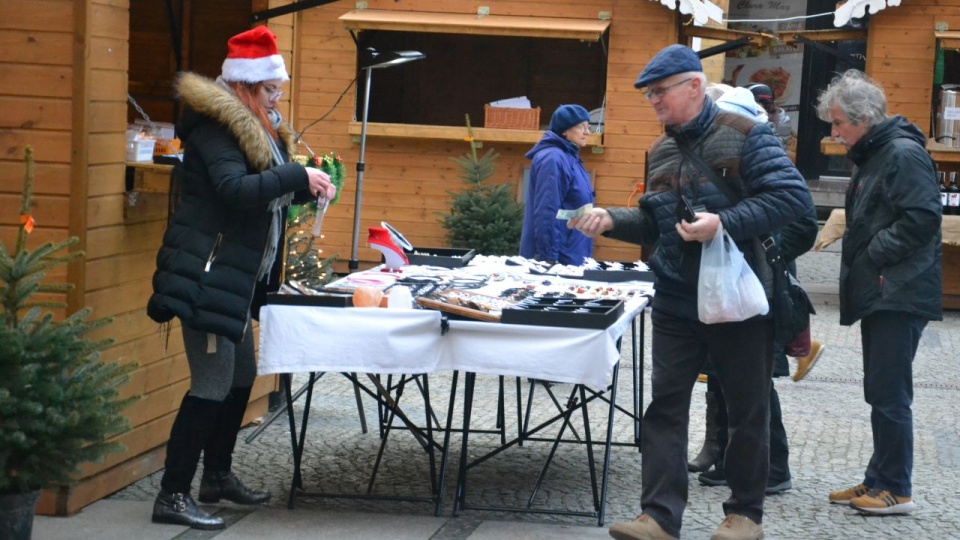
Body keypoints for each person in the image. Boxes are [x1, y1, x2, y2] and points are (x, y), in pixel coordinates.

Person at [571, 44, 814, 540]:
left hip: (738, 299)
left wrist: (722, 222)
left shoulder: (749, 135)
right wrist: (613, 218)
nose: (654, 102)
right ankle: (658, 517)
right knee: (664, 407)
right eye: (649, 95)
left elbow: (793, 200)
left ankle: (745, 515)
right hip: (677, 300)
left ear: (694, 87)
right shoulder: (660, 150)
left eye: (660, 92)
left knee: (748, 409)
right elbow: (658, 223)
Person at [146, 26, 337, 530]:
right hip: (206, 273)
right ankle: (171, 494)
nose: (277, 99)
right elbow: (234, 189)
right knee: (211, 384)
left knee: (241, 378)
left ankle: (217, 477)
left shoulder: (259, 127)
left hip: (233, 277)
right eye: (270, 90)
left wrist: (307, 187)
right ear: (245, 86)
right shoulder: (215, 128)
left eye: (278, 90)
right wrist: (297, 175)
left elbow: (262, 193)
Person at [817, 69, 941, 515]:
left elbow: (924, 217)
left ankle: (895, 488)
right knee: (880, 389)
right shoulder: (878, 153)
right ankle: (878, 477)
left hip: (900, 289)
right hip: (887, 287)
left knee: (890, 393)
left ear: (863, 118)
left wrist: (875, 254)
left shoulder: (901, 154)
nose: (834, 133)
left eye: (838, 124)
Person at [688, 87, 819, 496]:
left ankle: (773, 468)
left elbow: (802, 222)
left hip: (761, 285)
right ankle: (725, 455)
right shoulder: (726, 158)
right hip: (726, 281)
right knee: (727, 377)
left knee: (757, 385)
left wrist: (760, 247)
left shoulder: (765, 154)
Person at [519, 104, 595, 265]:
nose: (587, 132)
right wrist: (548, 257)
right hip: (558, 258)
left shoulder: (569, 157)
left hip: (571, 251)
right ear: (564, 130)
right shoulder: (553, 159)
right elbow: (547, 210)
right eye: (581, 127)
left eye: (588, 127)